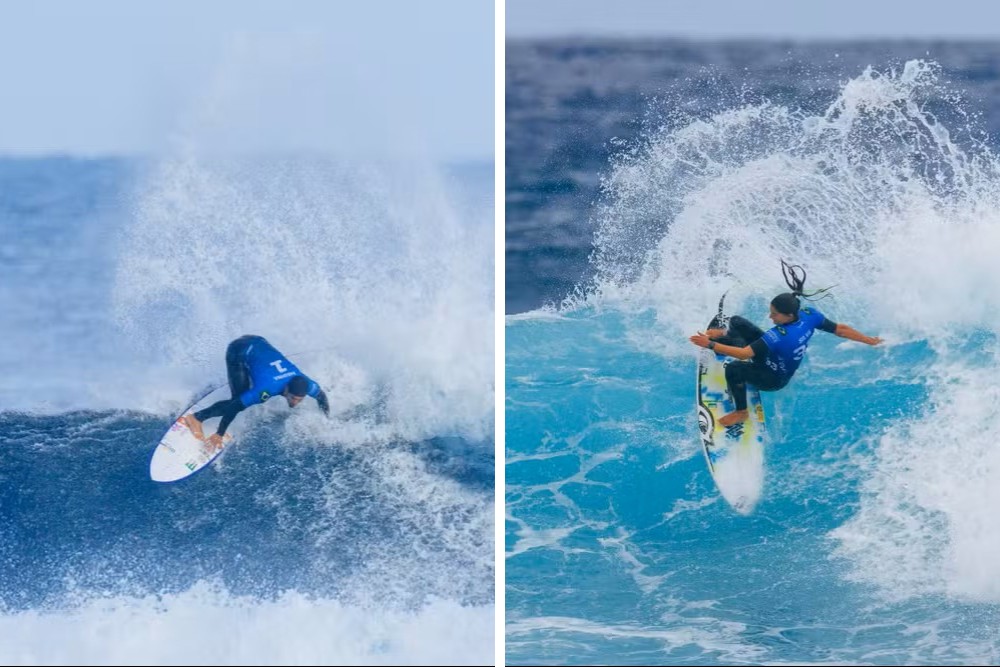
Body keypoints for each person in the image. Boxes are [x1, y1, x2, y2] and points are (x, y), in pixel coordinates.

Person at [689, 262, 882, 427]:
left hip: (773, 378)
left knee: (734, 368)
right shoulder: (808, 315)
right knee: (737, 322)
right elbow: (840, 329)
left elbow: (744, 354)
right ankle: (724, 336)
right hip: (771, 356)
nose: (770, 317)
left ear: (788, 315)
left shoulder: (780, 335)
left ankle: (741, 413)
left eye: (775, 314)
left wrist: (709, 345)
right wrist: (869, 340)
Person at [184, 334, 330, 450]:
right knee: (239, 397)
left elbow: (322, 397)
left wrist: (326, 419)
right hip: (239, 350)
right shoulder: (267, 388)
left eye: (299, 399)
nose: (295, 402)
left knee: (249, 385)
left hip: (260, 341)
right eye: (293, 398)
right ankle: (196, 418)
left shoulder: (309, 384)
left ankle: (251, 371)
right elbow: (235, 406)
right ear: (286, 389)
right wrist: (219, 433)